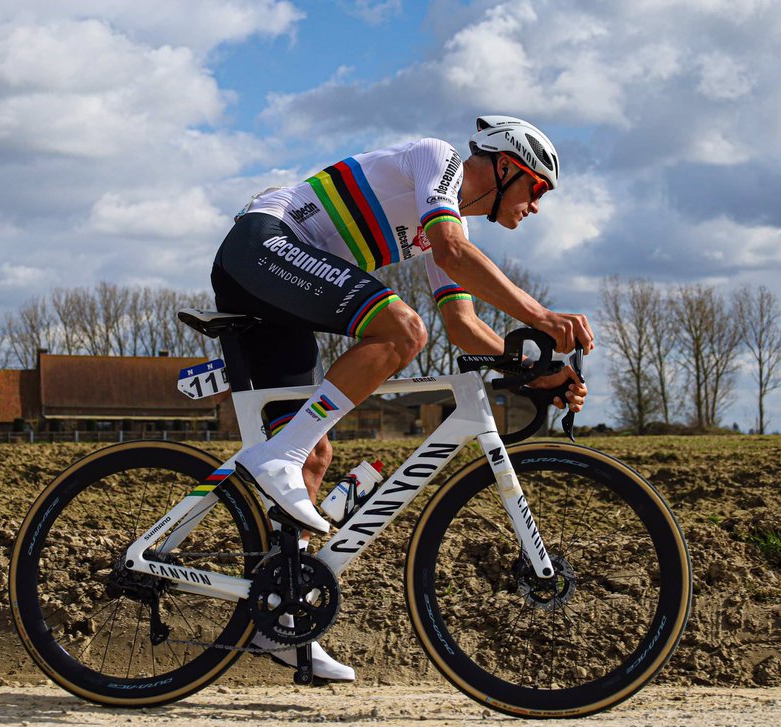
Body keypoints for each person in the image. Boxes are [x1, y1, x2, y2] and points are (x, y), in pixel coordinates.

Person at [211, 116, 594, 681]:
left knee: (315, 454)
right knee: (402, 329)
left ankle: (276, 620)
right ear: (506, 166)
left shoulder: (448, 229)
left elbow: (463, 327)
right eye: (537, 188)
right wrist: (539, 316)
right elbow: (454, 253)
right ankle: (278, 457)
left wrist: (539, 373)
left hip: (279, 280)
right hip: (264, 244)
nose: (536, 206)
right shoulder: (436, 162)